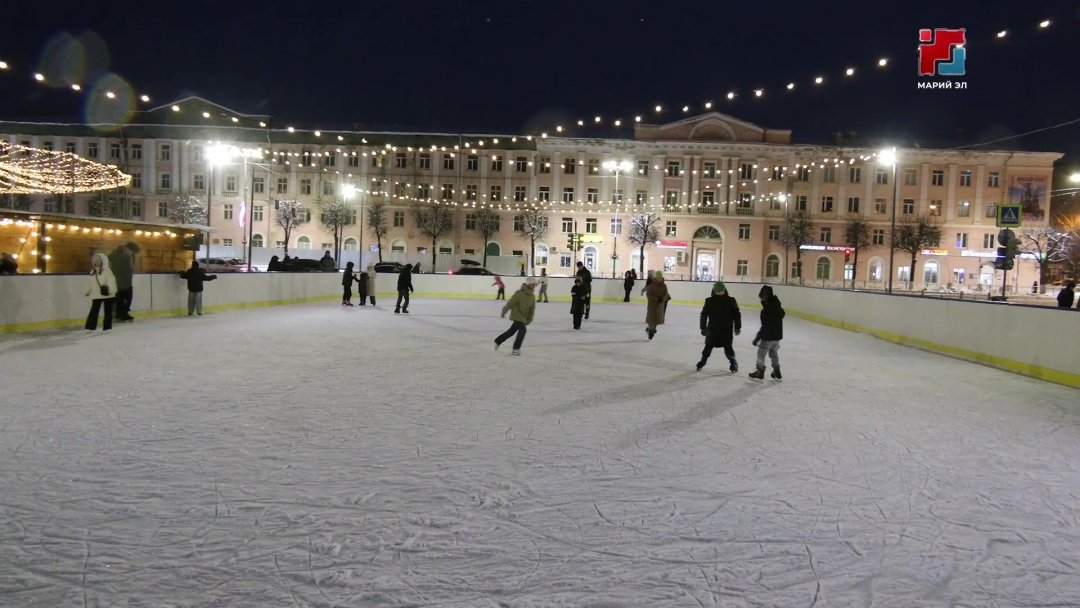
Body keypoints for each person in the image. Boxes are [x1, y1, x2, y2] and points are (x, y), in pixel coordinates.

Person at [696, 282, 742, 372]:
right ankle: (703, 361)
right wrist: (703, 328)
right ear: (714, 291)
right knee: (708, 346)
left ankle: (733, 363)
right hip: (713, 329)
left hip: (726, 329)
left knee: (728, 347)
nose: (720, 293)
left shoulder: (731, 301)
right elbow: (704, 315)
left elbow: (737, 314)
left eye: (722, 291)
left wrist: (738, 327)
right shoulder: (710, 301)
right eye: (718, 291)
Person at [750, 285, 785, 380]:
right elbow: (782, 315)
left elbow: (765, 326)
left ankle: (760, 371)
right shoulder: (778, 308)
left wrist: (757, 338)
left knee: (761, 353)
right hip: (777, 337)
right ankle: (776, 369)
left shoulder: (766, 311)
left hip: (768, 337)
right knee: (773, 353)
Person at [494, 277, 537, 355]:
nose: (534, 286)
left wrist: (529, 319)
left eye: (534, 284)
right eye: (532, 284)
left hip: (524, 317)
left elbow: (532, 309)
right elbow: (511, 303)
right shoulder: (519, 293)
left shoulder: (532, 296)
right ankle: (516, 349)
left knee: (511, 331)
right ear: (528, 284)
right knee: (522, 330)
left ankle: (498, 341)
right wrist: (504, 311)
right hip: (516, 315)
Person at [84, 253, 118, 333]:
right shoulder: (93, 272)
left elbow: (112, 282)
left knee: (108, 311)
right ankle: (90, 327)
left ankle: (107, 327)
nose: (97, 262)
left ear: (103, 261)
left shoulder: (107, 271)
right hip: (97, 294)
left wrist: (112, 290)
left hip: (108, 294)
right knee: (94, 311)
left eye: (98, 261)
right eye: (95, 261)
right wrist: (88, 291)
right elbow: (92, 283)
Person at [107, 241, 139, 322]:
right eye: (132, 251)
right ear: (126, 249)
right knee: (119, 299)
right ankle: (120, 314)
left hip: (127, 280)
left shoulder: (131, 256)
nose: (132, 253)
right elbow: (107, 260)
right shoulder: (116, 254)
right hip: (117, 280)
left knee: (128, 298)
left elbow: (130, 268)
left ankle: (124, 313)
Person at [644, 270, 669, 340]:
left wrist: (662, 299)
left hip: (659, 306)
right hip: (652, 305)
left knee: (657, 320)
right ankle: (650, 329)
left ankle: (651, 330)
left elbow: (666, 294)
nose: (659, 279)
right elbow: (648, 294)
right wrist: (655, 299)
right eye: (658, 278)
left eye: (660, 278)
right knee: (651, 319)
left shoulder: (664, 286)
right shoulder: (652, 286)